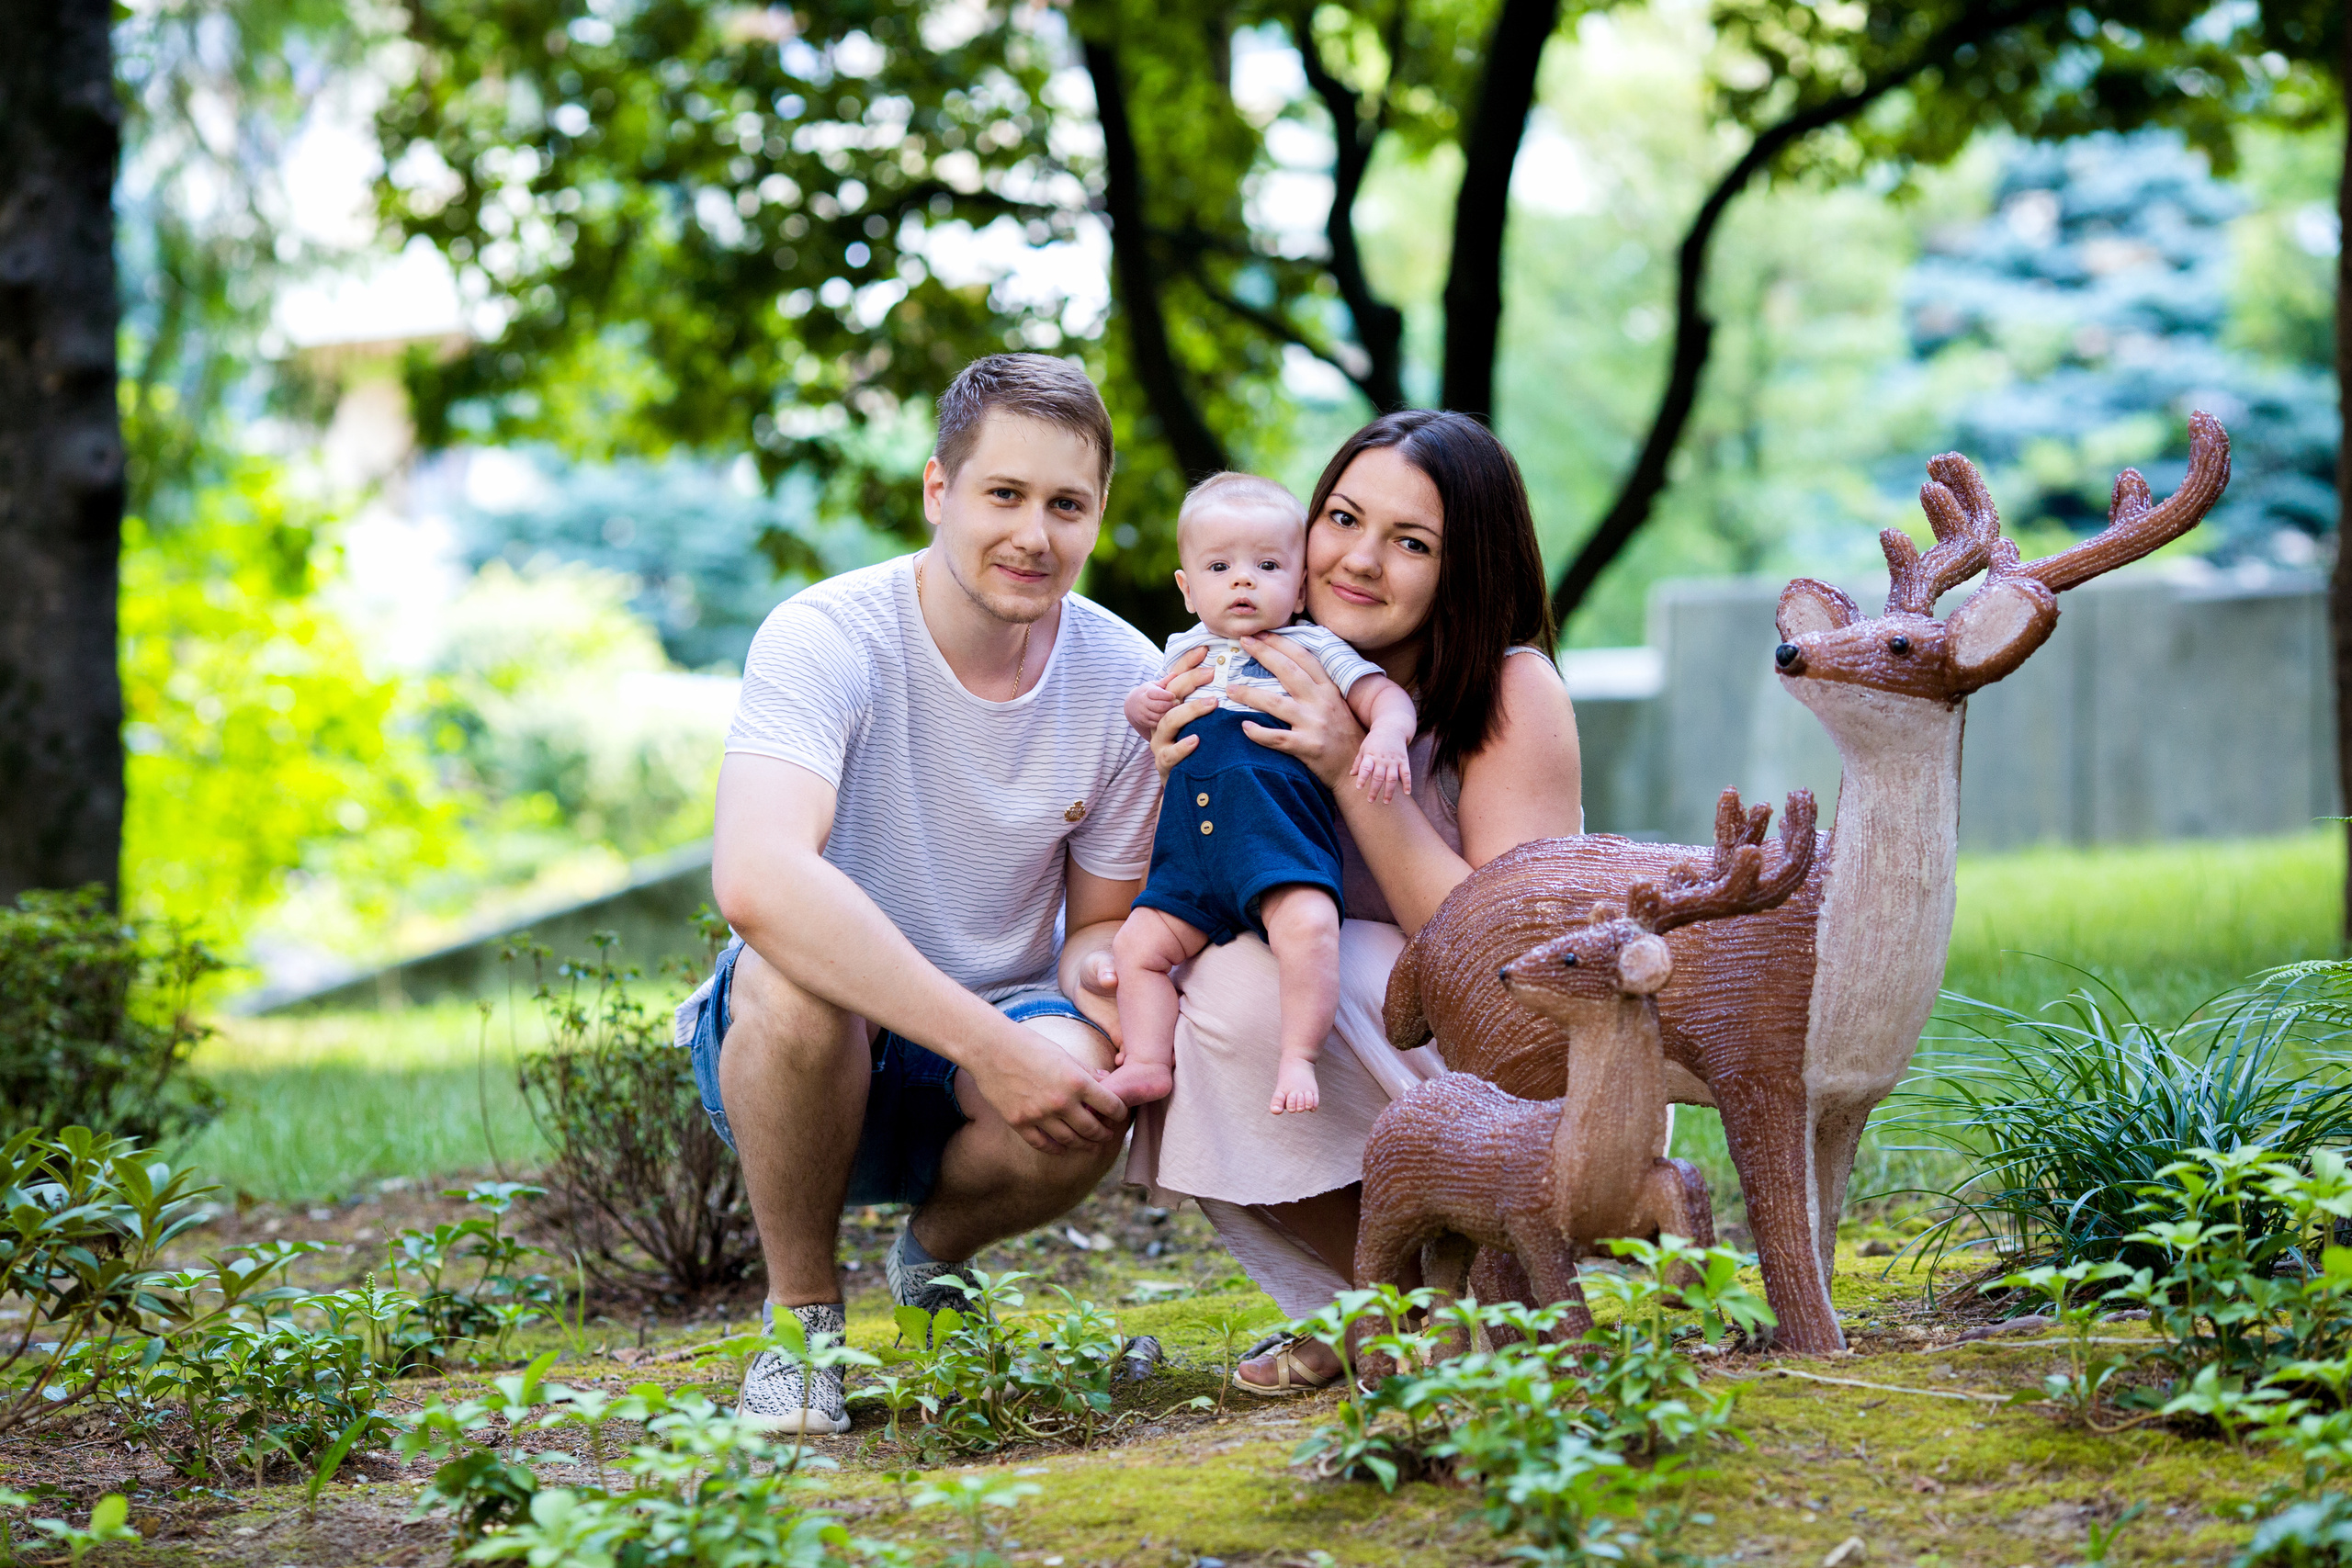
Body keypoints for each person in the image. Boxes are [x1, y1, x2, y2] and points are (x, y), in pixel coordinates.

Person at [675, 354, 1157, 1432]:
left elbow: (1097, 925)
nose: (1034, 535)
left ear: (1097, 516)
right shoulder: (827, 634)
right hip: (803, 1050)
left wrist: (1116, 999)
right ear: (939, 489)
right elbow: (756, 877)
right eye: (1004, 494)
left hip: (992, 1040)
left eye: (1067, 505)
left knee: (1088, 1087)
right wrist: (994, 1047)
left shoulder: (1124, 679)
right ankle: (802, 1329)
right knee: (796, 983)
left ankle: (932, 1258)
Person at [1122, 409, 1584, 1394]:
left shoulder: (1511, 690)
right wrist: (1181, 773)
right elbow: (1179, 895)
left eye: (1411, 543)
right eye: (1341, 518)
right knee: (1170, 987)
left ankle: (1474, 1294)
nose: (1359, 560)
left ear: (1465, 569)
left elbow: (1501, 962)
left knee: (1257, 981)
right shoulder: (1249, 668)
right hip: (1379, 1038)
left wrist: (1346, 765)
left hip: (1532, 1074)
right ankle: (1375, 1307)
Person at [1101, 471, 1415, 1118]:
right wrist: (1141, 707)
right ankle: (1147, 1062)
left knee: (1310, 928)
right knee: (1136, 949)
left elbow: (1383, 695)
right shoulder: (1182, 651)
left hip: (1279, 842)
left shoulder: (1314, 645)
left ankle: (1298, 1055)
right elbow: (1146, 716)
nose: (1243, 581)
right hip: (1191, 857)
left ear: (1299, 587)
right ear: (1188, 588)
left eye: (1267, 566)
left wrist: (1386, 733)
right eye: (1220, 567)